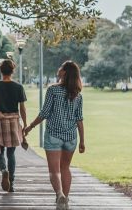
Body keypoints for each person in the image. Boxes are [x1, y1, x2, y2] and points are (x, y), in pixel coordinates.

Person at [24, 60, 85, 210]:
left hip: (53, 136)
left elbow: (44, 113)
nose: (58, 69)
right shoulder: (78, 94)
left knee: (54, 170)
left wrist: (30, 126)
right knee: (65, 168)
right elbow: (79, 119)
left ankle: (59, 194)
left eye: (61, 68)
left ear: (64, 72)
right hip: (71, 137)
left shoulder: (53, 90)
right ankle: (66, 198)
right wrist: (82, 141)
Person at [0, 59, 27, 193]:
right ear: (13, 71)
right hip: (13, 121)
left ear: (1, 71)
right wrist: (25, 124)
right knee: (11, 153)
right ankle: (12, 183)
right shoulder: (18, 87)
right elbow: (22, 108)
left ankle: (4, 170)